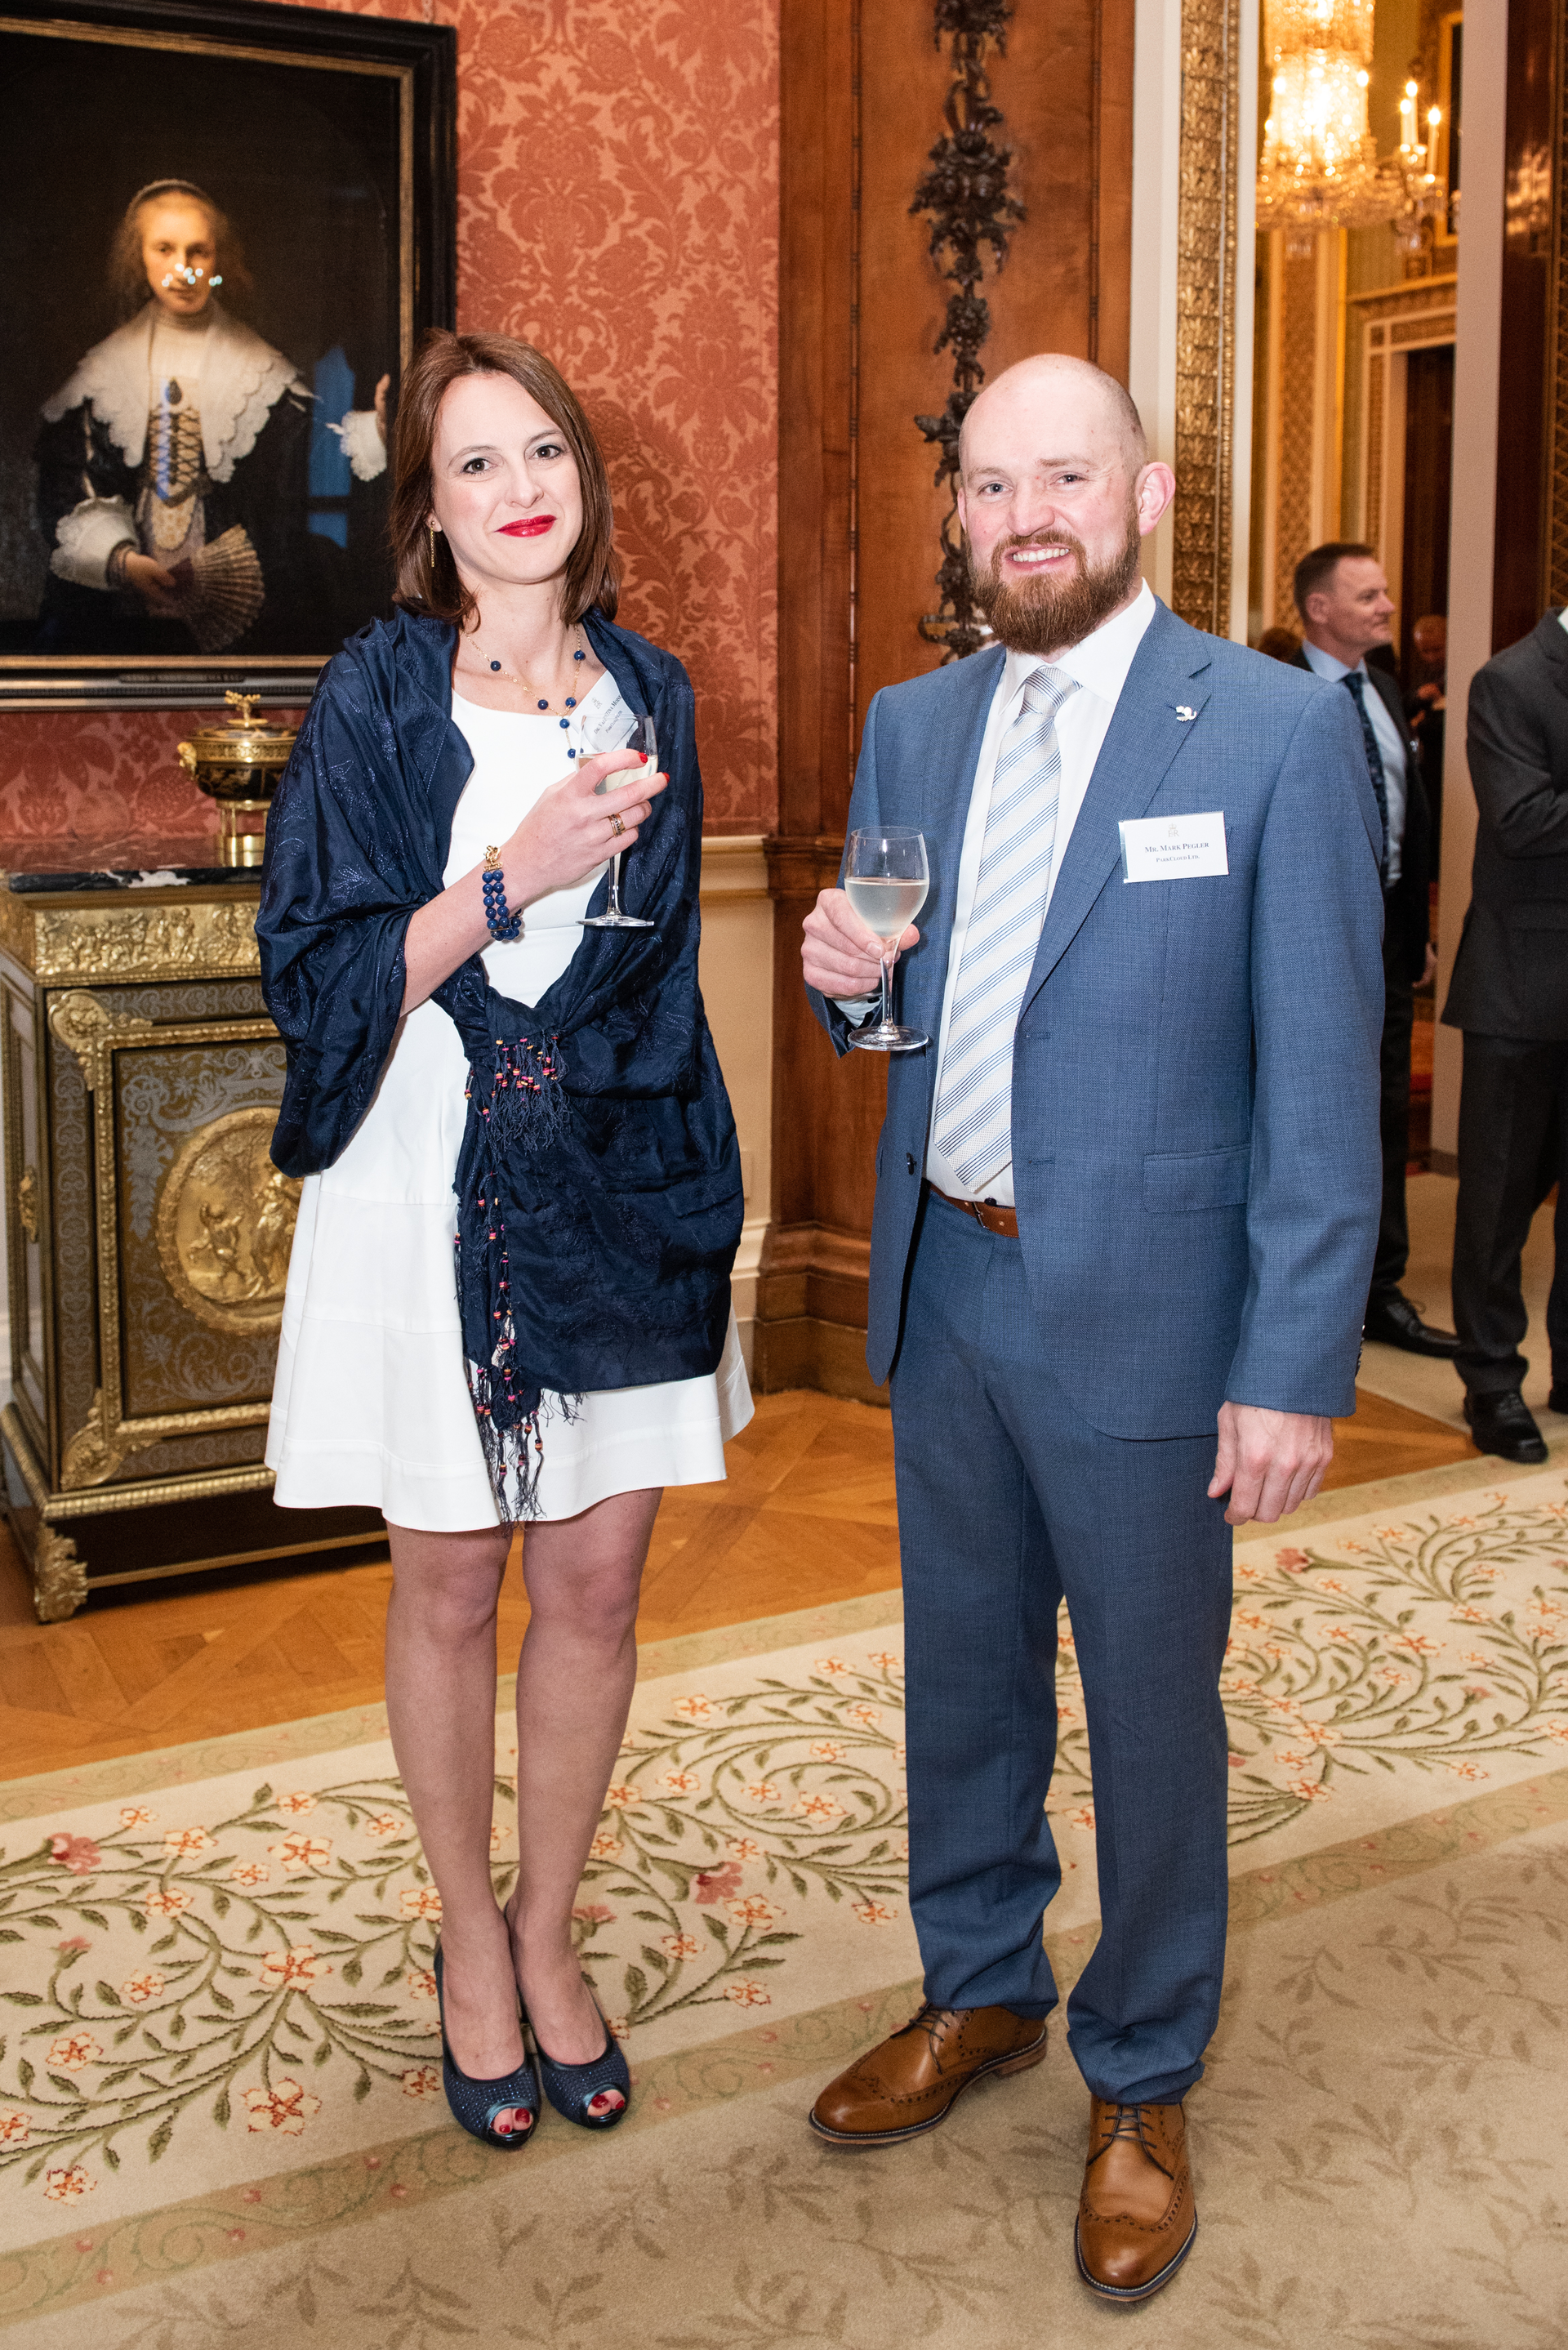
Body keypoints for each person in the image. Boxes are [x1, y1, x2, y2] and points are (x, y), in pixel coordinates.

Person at [799, 355, 1383, 2306]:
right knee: (959, 1677)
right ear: (960, 514)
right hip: (946, 1281)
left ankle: (1139, 2072)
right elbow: (896, 1003)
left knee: (1148, 1710)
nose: (1023, 511)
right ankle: (981, 1988)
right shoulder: (912, 722)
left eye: (1064, 475)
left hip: (1152, 1315)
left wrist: (1293, 1362)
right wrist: (846, 994)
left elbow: (1322, 1082)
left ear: (1142, 496)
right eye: (989, 482)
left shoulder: (1278, 735)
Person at [257, 328, 751, 2150]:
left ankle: (552, 1933)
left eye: (543, 448)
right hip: (420, 1185)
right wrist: (507, 876)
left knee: (602, 1585)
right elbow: (317, 971)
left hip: (619, 1173)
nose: (519, 485)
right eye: (475, 463)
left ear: (582, 477)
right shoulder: (377, 694)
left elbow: (663, 960)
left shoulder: (658, 691)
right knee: (453, 1583)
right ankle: (468, 1935)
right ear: (432, 513)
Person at [37, 178, 388, 654]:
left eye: (198, 251)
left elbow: (307, 455)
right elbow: (77, 478)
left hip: (239, 607)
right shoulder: (104, 370)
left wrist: (376, 432)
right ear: (139, 259)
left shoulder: (255, 367)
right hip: (125, 610)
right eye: (165, 249)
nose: (183, 269)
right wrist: (122, 560)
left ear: (218, 258)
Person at [1293, 544, 1458, 1359]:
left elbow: (1411, 814)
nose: (1388, 606)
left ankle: (1378, 1288)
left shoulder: (1386, 691)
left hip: (1389, 942)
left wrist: (1417, 926)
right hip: (1303, 944)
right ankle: (1309, 1287)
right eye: (1370, 594)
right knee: (1312, 1113)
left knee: (1388, 1110)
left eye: (1387, 592)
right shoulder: (1279, 695)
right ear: (1320, 608)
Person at [1441, 608, 1568, 1462]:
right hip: (1522, 991)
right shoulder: (1511, 681)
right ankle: (1491, 1384)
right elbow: (1523, 819)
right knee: (1496, 1207)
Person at [1406, 612, 1448, 874]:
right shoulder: (1421, 670)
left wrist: (1420, 722)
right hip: (1425, 761)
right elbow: (1404, 708)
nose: (1431, 657)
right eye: (1425, 651)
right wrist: (1419, 698)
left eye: (1437, 650)